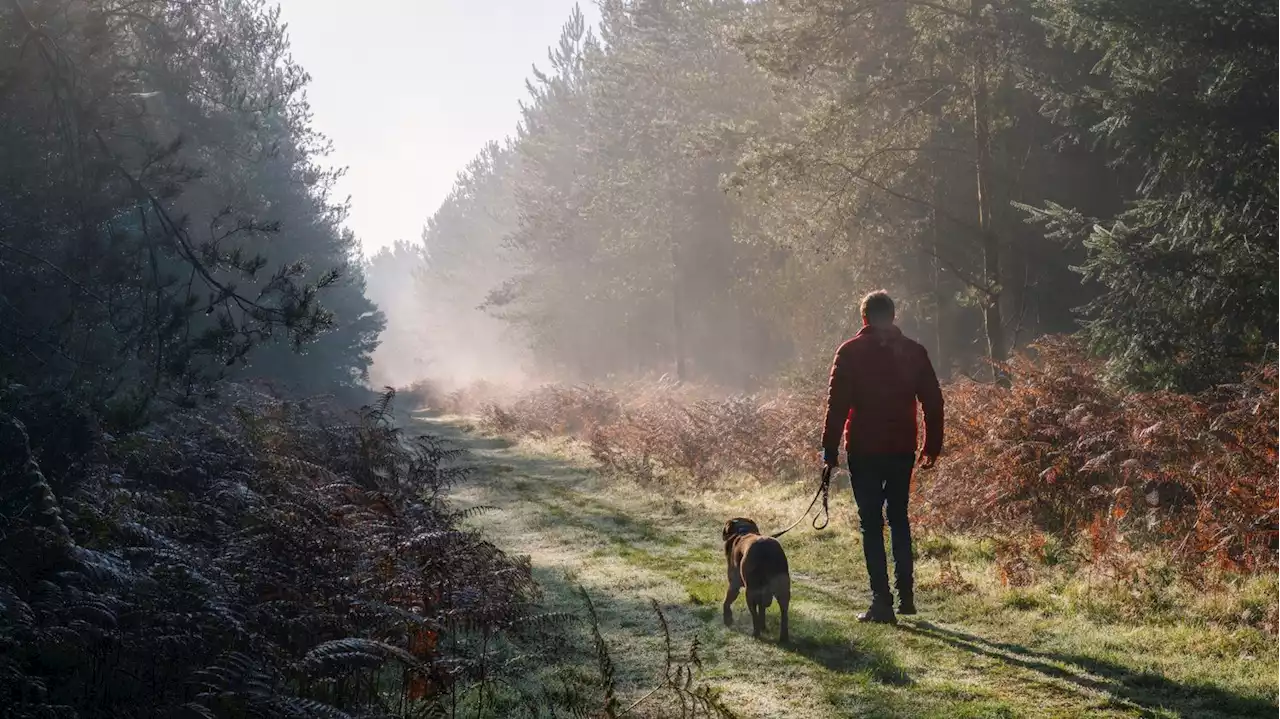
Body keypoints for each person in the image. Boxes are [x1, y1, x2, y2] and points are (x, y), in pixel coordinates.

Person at [821, 290, 943, 624]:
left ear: (864, 318)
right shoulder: (914, 352)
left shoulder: (849, 352)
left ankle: (881, 602)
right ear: (892, 316)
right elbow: (933, 402)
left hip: (864, 448)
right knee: (899, 517)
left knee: (871, 523)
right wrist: (932, 446)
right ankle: (906, 595)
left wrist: (829, 450)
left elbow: (837, 407)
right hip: (902, 447)